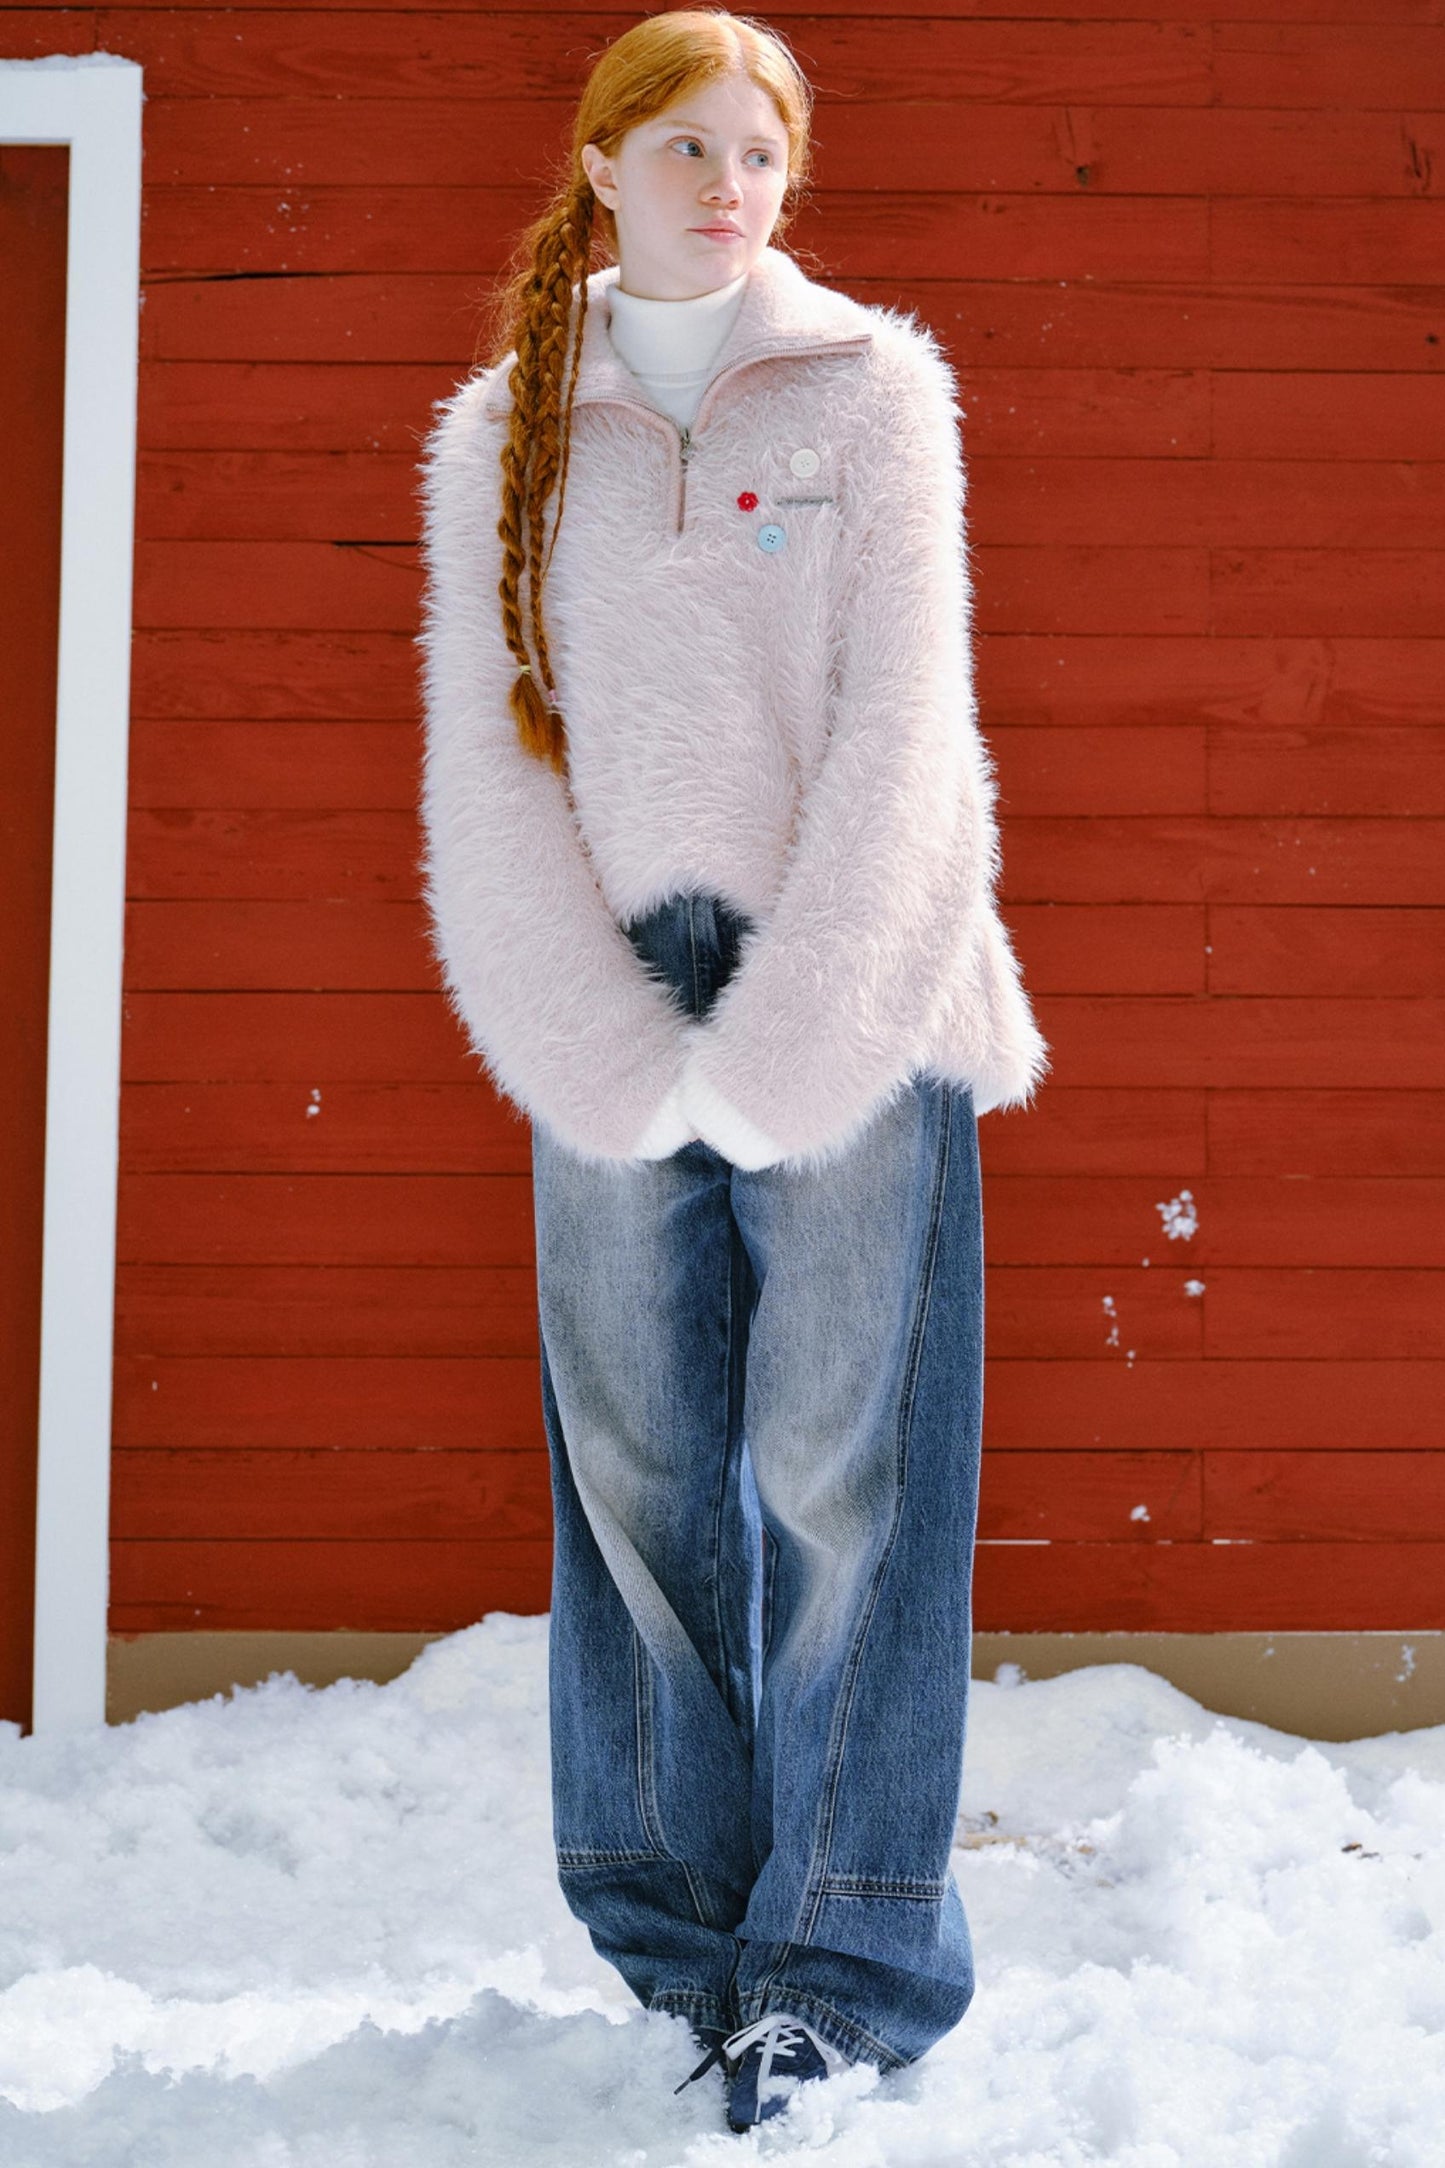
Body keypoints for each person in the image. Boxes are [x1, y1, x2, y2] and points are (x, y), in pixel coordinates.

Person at [416, 6, 1049, 2135]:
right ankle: (683, 1934)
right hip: (603, 982)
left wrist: (789, 1042)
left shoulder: (878, 397)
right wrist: (604, 1051)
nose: (724, 186)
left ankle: (847, 1954)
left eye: (756, 152)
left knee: (843, 1485)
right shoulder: (504, 428)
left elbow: (907, 739)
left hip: (850, 970)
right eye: (680, 147)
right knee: (642, 1478)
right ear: (602, 166)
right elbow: (489, 774)